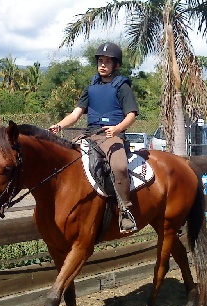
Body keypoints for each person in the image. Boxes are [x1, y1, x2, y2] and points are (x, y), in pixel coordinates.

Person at [49, 42, 139, 234]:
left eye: (107, 62)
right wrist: (59, 126)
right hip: (91, 135)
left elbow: (131, 115)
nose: (103, 65)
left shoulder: (122, 87)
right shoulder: (90, 87)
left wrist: (117, 129)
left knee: (119, 166)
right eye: (100, 61)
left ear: (116, 65)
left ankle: (125, 211)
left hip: (112, 135)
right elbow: (75, 114)